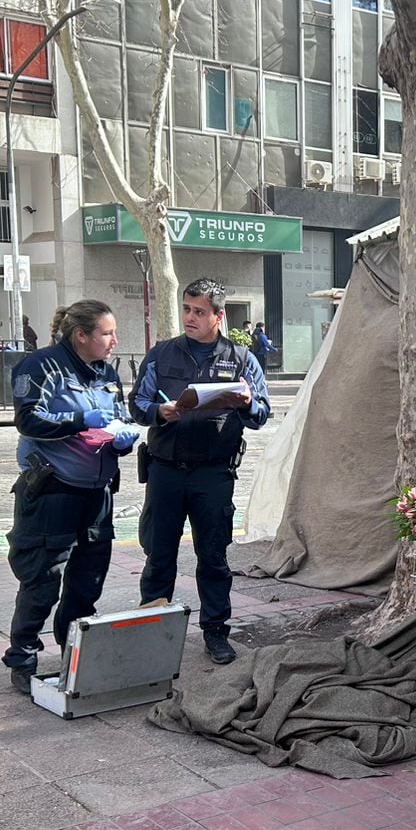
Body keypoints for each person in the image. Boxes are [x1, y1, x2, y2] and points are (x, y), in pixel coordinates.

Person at [131, 280, 270, 664]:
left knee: (213, 557)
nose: (190, 317)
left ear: (218, 316)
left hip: (214, 473)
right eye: (186, 309)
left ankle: (216, 633)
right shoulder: (162, 354)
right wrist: (159, 412)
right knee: (159, 556)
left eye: (199, 311)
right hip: (165, 471)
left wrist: (245, 402)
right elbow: (138, 403)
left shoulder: (241, 359)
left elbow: (261, 413)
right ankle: (152, 634)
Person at [2, 299, 137, 693]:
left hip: (96, 492)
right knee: (42, 580)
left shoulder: (106, 372)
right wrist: (81, 420)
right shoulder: (41, 366)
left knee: (86, 582)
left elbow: (120, 416)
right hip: (52, 491)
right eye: (107, 333)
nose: (114, 340)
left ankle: (74, 653)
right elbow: (27, 419)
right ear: (82, 335)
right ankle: (23, 659)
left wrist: (123, 436)